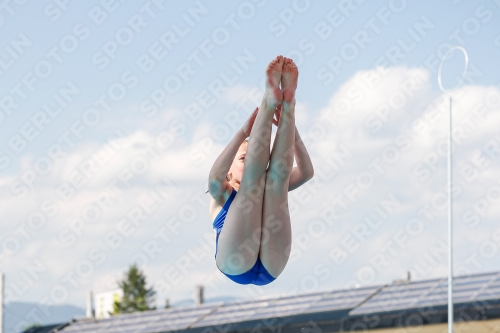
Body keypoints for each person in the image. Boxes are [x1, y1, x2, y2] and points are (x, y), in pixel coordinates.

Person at [207, 56, 314, 285]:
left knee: (276, 182)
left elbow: (306, 173)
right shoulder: (223, 193)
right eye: (243, 158)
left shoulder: (261, 181)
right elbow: (214, 180)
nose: (248, 161)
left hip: (269, 267)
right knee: (255, 185)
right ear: (229, 172)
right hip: (237, 262)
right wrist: (241, 134)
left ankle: (288, 105)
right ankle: (270, 100)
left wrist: (290, 128)